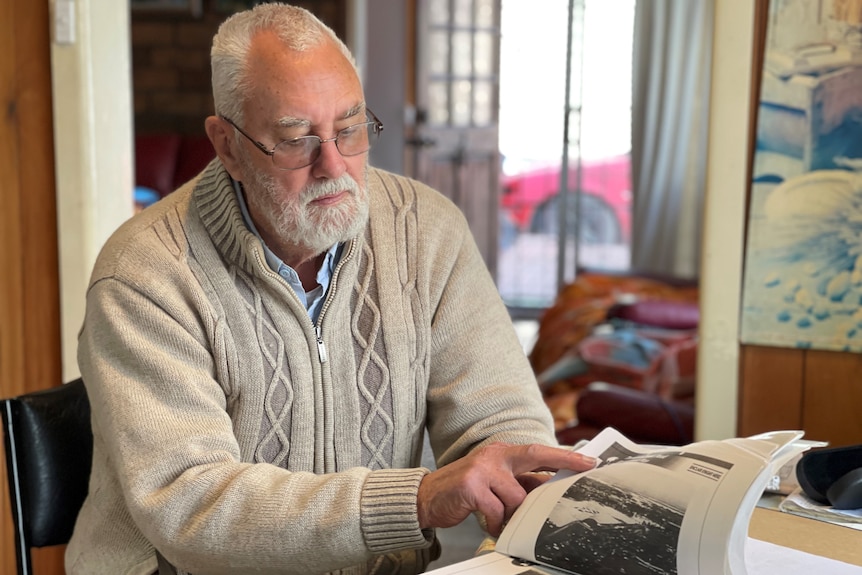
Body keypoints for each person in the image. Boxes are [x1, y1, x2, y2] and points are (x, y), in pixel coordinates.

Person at [65, 4, 596, 575]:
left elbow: (502, 421)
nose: (334, 165)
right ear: (227, 146)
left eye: (350, 128)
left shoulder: (428, 231)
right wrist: (415, 501)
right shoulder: (146, 273)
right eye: (296, 139)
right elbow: (192, 508)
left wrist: (520, 482)